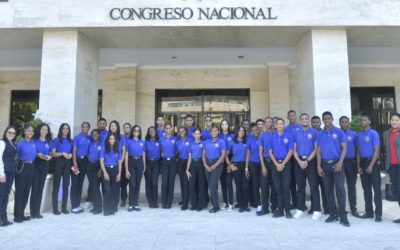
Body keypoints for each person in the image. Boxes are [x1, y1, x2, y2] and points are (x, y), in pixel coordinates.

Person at [316, 111, 350, 227]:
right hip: (325, 165)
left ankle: (343, 216)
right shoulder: (320, 134)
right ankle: (333, 215)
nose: (326, 121)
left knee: (340, 190)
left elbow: (344, 148)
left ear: (332, 119)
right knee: (328, 190)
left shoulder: (339, 132)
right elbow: (318, 151)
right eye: (324, 119)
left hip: (337, 164)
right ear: (323, 120)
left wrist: (340, 162)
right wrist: (319, 166)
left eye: (328, 118)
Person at [292, 113, 321, 220]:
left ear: (308, 120)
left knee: (314, 186)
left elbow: (316, 149)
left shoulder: (314, 133)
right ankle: (300, 209)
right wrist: (300, 161)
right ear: (300, 121)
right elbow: (294, 150)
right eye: (302, 119)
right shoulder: (296, 133)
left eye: (306, 118)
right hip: (299, 161)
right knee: (300, 187)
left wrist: (307, 160)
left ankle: (317, 210)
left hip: (311, 161)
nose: (304, 120)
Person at [357, 114, 382, 222]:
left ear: (369, 122)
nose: (362, 121)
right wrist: (358, 166)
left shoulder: (374, 133)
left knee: (376, 190)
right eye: (361, 120)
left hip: (373, 163)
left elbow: (377, 150)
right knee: (366, 190)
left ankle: (378, 214)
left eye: (365, 119)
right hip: (362, 164)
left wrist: (371, 165)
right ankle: (369, 212)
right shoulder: (359, 135)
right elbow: (358, 151)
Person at [269, 118, 294, 219]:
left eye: (281, 123)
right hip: (275, 164)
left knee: (285, 188)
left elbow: (291, 151)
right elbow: (270, 152)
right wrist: (276, 164)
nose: (279, 125)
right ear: (275, 126)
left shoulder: (288, 135)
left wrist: (282, 164)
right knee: (278, 189)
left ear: (284, 125)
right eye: (278, 124)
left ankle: (287, 210)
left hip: (286, 164)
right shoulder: (272, 136)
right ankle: (280, 210)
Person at [339, 116, 360, 217]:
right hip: (340, 163)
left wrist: (357, 164)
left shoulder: (354, 134)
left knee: (351, 187)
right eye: (342, 122)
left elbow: (357, 150)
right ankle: (341, 209)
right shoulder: (337, 133)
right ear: (339, 123)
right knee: (340, 187)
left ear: (348, 123)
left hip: (351, 163)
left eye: (345, 122)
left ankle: (353, 209)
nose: (343, 123)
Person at [14, 124, 36, 223]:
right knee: (20, 192)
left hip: (31, 167)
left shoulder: (33, 143)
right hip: (22, 166)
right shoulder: (20, 144)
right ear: (24, 132)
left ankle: (22, 213)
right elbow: (15, 157)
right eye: (28, 131)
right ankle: (17, 215)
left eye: (32, 131)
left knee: (26, 191)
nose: (30, 133)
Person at [30, 123, 52, 219]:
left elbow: (50, 154)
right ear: (39, 130)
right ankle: (32, 211)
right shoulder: (34, 141)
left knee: (40, 188)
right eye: (42, 129)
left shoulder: (48, 142)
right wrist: (37, 155)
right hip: (36, 164)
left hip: (45, 165)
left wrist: (49, 157)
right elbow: (32, 153)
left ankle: (37, 211)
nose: (44, 131)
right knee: (35, 188)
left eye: (46, 130)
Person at [246, 123, 269, 215]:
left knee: (264, 185)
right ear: (251, 132)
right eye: (253, 130)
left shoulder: (263, 137)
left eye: (257, 130)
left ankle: (265, 204)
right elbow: (248, 153)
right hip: (253, 164)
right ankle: (259, 205)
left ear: (259, 130)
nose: (255, 132)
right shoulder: (249, 139)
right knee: (255, 185)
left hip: (263, 164)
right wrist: (246, 168)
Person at [203, 125, 226, 213]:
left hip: (217, 164)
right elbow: (203, 155)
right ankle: (214, 203)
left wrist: (215, 165)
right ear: (210, 132)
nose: (214, 132)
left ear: (218, 132)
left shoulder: (221, 141)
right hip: (207, 164)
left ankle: (216, 206)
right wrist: (205, 165)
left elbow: (223, 155)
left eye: (215, 131)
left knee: (212, 184)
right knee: (212, 186)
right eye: (212, 131)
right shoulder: (206, 142)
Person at [225, 126, 249, 212]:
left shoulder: (247, 141)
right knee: (238, 186)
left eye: (243, 131)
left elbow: (248, 155)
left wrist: (246, 168)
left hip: (245, 165)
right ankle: (241, 205)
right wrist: (229, 165)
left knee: (245, 186)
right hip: (236, 165)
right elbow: (225, 155)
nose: (241, 132)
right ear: (236, 132)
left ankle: (246, 205)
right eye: (239, 131)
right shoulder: (232, 142)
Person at [52, 123, 73, 215]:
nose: (65, 130)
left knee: (66, 185)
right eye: (64, 128)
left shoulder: (71, 141)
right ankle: (55, 208)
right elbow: (53, 154)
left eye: (67, 128)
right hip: (58, 162)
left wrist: (71, 155)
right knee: (56, 185)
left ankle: (64, 207)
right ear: (61, 129)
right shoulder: (56, 140)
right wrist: (62, 153)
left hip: (68, 162)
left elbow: (73, 152)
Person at [71, 121, 91, 214]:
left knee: (80, 183)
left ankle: (77, 205)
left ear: (89, 128)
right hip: (77, 161)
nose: (85, 128)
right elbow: (74, 152)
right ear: (81, 127)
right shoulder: (77, 137)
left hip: (85, 161)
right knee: (75, 184)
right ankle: (73, 206)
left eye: (87, 126)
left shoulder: (89, 138)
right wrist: (75, 165)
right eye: (83, 126)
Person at [100, 133, 122, 216]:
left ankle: (110, 208)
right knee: (107, 191)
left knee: (113, 191)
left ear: (115, 140)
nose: (112, 140)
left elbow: (119, 162)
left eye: (113, 139)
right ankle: (105, 209)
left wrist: (119, 173)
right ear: (108, 140)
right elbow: (101, 161)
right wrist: (105, 173)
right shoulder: (104, 149)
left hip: (115, 170)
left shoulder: (118, 149)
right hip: (106, 170)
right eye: (110, 138)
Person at [125, 125, 145, 212]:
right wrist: (126, 169)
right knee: (132, 184)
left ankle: (136, 203)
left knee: (138, 184)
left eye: (138, 130)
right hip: (131, 162)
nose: (136, 132)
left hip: (140, 163)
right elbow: (126, 156)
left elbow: (144, 155)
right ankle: (131, 203)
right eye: (135, 130)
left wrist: (144, 166)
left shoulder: (142, 142)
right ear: (132, 132)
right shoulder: (128, 142)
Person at [0, 126, 17, 226]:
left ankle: (4, 217)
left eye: (13, 133)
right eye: (9, 132)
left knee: (5, 196)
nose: (11, 135)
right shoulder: (2, 142)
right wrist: (1, 174)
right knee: (1, 196)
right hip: (4, 172)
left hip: (11, 172)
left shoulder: (12, 144)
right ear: (6, 132)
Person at [259, 121, 277, 214]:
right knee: (264, 187)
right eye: (267, 122)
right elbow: (260, 152)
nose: (269, 123)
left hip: (275, 163)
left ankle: (274, 207)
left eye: (271, 121)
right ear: (265, 125)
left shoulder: (277, 134)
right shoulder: (262, 136)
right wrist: (263, 166)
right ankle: (265, 208)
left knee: (274, 186)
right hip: (265, 162)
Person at [311, 115, 328, 214]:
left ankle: (326, 207)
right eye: (313, 122)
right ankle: (314, 206)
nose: (315, 124)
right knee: (314, 186)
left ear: (320, 123)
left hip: (323, 162)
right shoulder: (310, 133)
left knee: (324, 186)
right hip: (313, 163)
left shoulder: (323, 133)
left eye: (317, 122)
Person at [186, 128, 206, 211]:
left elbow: (204, 156)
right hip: (193, 164)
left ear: (201, 135)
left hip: (201, 163)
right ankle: (193, 204)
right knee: (192, 185)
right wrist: (187, 169)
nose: (197, 135)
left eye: (199, 134)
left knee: (201, 185)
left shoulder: (204, 143)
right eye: (196, 134)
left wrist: (205, 165)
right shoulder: (191, 144)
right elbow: (189, 157)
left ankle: (200, 205)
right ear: (193, 135)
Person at [385, 112, 400, 224]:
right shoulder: (389, 134)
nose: (394, 122)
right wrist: (388, 167)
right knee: (396, 190)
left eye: (397, 120)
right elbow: (387, 151)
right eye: (393, 120)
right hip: (392, 167)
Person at [285, 110, 301, 210]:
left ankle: (300, 203)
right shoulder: (286, 129)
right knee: (291, 182)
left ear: (296, 116)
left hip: (299, 158)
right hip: (289, 158)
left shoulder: (301, 127)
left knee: (299, 181)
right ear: (288, 117)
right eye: (290, 116)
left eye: (293, 115)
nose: (292, 117)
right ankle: (294, 202)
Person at [108, 120, 126, 209]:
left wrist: (121, 162)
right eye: (111, 126)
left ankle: (116, 204)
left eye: (114, 126)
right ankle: (109, 202)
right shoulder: (107, 137)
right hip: (109, 165)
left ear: (117, 127)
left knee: (117, 185)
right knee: (109, 185)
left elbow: (123, 151)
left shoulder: (121, 137)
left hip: (119, 164)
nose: (113, 127)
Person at [160, 123, 177, 209]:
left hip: (173, 162)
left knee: (171, 182)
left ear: (172, 129)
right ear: (164, 129)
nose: (167, 130)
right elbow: (158, 149)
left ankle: (169, 202)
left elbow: (178, 150)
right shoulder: (161, 139)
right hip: (164, 162)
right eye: (166, 128)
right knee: (165, 182)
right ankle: (164, 201)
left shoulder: (175, 138)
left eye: (169, 128)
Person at [87, 129, 103, 214]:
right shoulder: (91, 144)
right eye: (93, 134)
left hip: (98, 166)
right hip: (90, 166)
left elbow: (103, 158)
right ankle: (95, 206)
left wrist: (101, 169)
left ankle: (99, 207)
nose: (95, 136)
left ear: (99, 135)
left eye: (96, 134)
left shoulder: (102, 144)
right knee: (92, 187)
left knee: (96, 187)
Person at [176, 126, 193, 210]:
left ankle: (187, 203)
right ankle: (184, 200)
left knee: (187, 183)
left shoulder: (190, 140)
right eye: (180, 131)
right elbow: (176, 152)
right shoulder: (178, 142)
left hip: (189, 162)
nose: (181, 132)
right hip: (181, 163)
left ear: (186, 132)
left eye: (183, 131)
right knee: (182, 183)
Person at [144, 126, 160, 208]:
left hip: (156, 163)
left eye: (153, 130)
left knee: (154, 183)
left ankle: (155, 201)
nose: (152, 132)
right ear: (148, 132)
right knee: (148, 183)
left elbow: (162, 151)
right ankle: (150, 202)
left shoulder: (159, 141)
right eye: (150, 131)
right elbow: (143, 154)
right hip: (148, 163)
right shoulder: (145, 142)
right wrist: (144, 165)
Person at [219, 119, 233, 209]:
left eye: (226, 124)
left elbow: (233, 149)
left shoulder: (232, 136)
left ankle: (231, 203)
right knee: (223, 182)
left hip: (230, 160)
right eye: (223, 124)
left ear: (229, 125)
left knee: (229, 182)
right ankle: (225, 202)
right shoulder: (218, 135)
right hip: (220, 161)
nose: (224, 126)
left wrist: (229, 164)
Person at [120, 122, 131, 207]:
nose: (126, 129)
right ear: (123, 129)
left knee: (132, 183)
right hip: (122, 162)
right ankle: (123, 200)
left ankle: (132, 200)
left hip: (131, 162)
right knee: (123, 183)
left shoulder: (133, 137)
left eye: (128, 127)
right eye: (125, 127)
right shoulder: (120, 138)